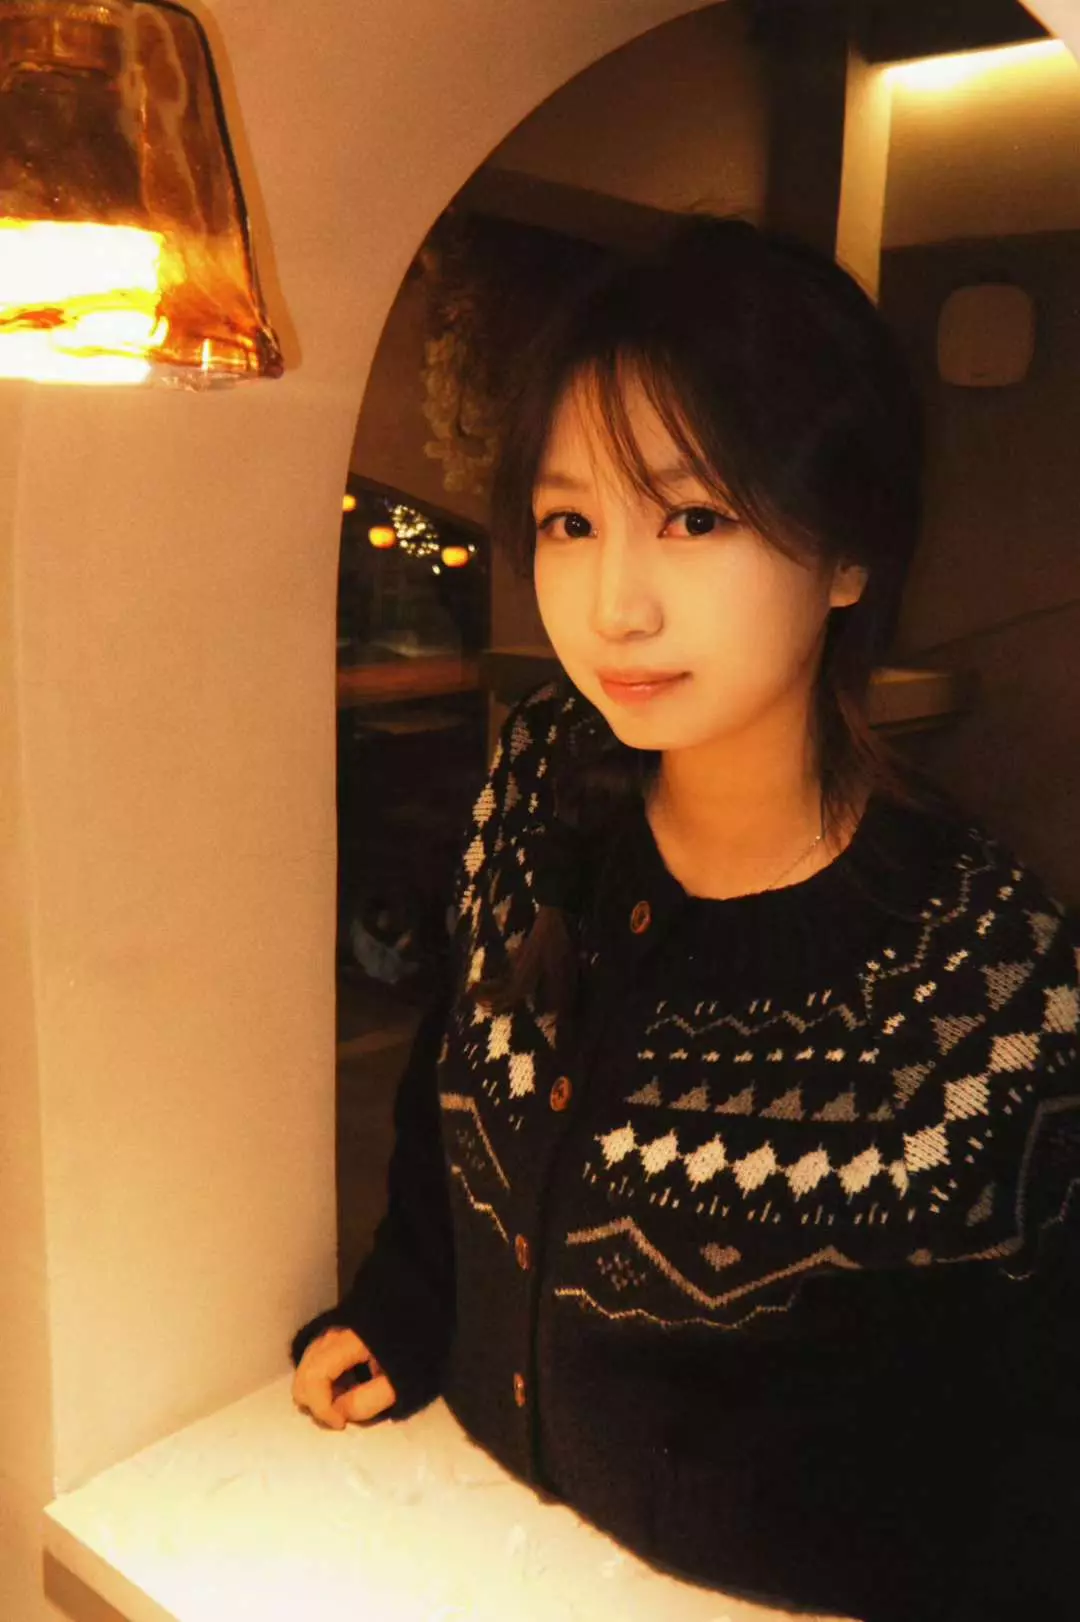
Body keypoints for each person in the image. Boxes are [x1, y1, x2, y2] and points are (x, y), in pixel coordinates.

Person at [291, 218, 1079, 1622]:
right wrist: (403, 1309)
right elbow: (454, 1076)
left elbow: (1023, 1468)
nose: (616, 606)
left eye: (695, 518)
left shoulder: (982, 986)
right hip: (447, 1544)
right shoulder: (539, 783)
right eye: (570, 522)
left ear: (848, 553)